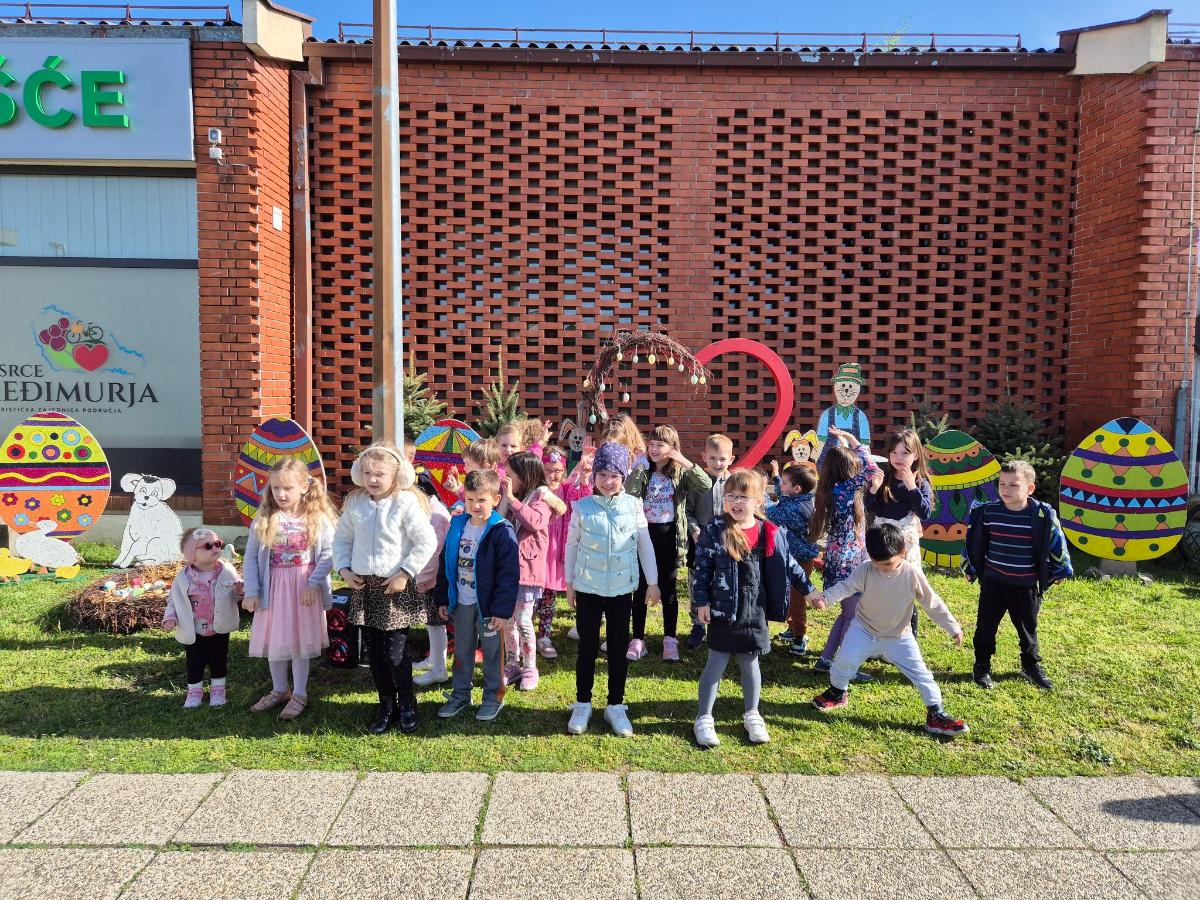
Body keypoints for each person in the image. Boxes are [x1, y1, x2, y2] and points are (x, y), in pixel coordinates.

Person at [692, 469, 815, 748]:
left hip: (754, 609)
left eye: (743, 497)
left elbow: (789, 565)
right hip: (722, 610)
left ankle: (752, 714)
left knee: (750, 662)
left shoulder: (768, 531)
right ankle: (704, 718)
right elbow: (702, 569)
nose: (736, 502)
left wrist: (810, 592)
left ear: (759, 500)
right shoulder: (715, 529)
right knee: (716, 663)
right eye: (731, 496)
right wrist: (701, 602)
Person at [809, 523, 969, 737]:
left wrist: (952, 627)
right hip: (863, 629)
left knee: (922, 674)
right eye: (877, 563)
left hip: (899, 637)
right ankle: (837, 693)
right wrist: (826, 598)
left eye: (887, 564)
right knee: (843, 663)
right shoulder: (865, 569)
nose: (882, 568)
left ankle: (936, 713)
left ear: (903, 552)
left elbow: (933, 603)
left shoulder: (912, 574)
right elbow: (845, 587)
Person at [332, 444, 437, 733]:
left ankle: (407, 703)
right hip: (365, 588)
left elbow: (426, 541)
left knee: (394, 654)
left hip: (395, 588)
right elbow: (341, 540)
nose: (373, 479)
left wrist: (405, 572)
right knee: (375, 656)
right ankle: (386, 704)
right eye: (367, 473)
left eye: (380, 474)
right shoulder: (355, 503)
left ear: (396, 475)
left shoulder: (405, 503)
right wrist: (344, 569)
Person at [563, 441, 661, 737]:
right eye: (602, 474)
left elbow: (645, 544)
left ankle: (615, 705)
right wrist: (570, 584)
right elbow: (571, 546)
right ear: (594, 476)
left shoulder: (633, 506)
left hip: (621, 590)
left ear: (624, 477)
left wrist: (653, 582)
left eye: (614, 476)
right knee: (587, 647)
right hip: (588, 588)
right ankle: (583, 702)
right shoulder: (582, 507)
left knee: (618, 648)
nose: (608, 481)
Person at [963, 459, 1073, 691]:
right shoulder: (988, 512)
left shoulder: (1042, 515)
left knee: (1027, 629)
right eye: (1002, 484)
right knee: (985, 627)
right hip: (994, 582)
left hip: (1026, 584)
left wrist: (1060, 569)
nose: (1006, 489)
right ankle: (982, 665)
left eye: (1013, 485)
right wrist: (970, 568)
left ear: (1029, 488)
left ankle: (1030, 665)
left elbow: (1057, 542)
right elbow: (973, 541)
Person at [243, 459, 339, 722]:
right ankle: (279, 689)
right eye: (276, 488)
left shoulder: (317, 518)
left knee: (299, 641)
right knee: (276, 639)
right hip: (273, 588)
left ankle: (299, 693)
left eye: (287, 488)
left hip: (303, 589)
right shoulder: (265, 518)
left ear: (304, 487)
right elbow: (250, 556)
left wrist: (313, 583)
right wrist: (251, 590)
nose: (281, 494)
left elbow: (329, 555)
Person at [434, 469, 520, 721]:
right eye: (470, 499)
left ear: (495, 499)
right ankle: (461, 693)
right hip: (462, 603)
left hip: (489, 608)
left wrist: (501, 611)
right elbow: (445, 562)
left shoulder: (501, 531)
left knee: (492, 652)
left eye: (482, 500)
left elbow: (508, 574)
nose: (475, 505)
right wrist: (443, 598)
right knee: (462, 651)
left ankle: (493, 697)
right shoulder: (458, 525)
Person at [624, 425, 712, 661]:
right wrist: (638, 468)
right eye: (651, 444)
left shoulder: (679, 473)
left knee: (668, 589)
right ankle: (638, 639)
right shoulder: (644, 470)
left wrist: (684, 461)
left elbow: (705, 484)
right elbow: (629, 495)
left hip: (670, 536)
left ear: (672, 448)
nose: (654, 449)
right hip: (644, 534)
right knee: (641, 588)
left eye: (660, 445)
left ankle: (670, 639)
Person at [809, 426, 883, 679]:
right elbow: (873, 469)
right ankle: (846, 667)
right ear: (848, 469)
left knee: (848, 615)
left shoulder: (833, 489)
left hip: (838, 559)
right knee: (852, 617)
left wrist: (843, 443)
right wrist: (854, 441)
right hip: (848, 563)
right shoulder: (847, 489)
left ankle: (826, 660)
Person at [499, 451, 566, 691]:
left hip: (527, 569)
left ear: (524, 474)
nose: (506, 478)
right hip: (507, 569)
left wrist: (511, 499)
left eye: (510, 474)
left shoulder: (542, 496)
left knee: (523, 620)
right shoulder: (511, 496)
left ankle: (530, 668)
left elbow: (535, 521)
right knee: (508, 621)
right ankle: (512, 665)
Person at [162, 527, 242, 708]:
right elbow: (174, 600)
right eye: (208, 546)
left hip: (219, 628)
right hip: (194, 630)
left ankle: (218, 690)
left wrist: (240, 592)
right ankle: (194, 692)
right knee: (194, 661)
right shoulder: (183, 578)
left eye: (217, 543)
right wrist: (170, 617)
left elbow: (234, 597)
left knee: (219, 659)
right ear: (192, 555)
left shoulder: (227, 571)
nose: (215, 548)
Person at [865, 429, 934, 636]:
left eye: (905, 453)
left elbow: (925, 512)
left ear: (916, 455)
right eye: (894, 452)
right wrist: (873, 489)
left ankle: (908, 636)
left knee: (905, 587)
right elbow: (868, 506)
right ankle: (880, 632)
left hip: (905, 542)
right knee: (880, 584)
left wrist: (912, 487)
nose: (898, 457)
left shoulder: (920, 480)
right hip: (882, 537)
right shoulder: (884, 477)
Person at [537, 444, 593, 659]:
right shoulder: (536, 490)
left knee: (548, 596)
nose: (553, 475)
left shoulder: (567, 489)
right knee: (531, 596)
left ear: (564, 470)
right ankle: (524, 633)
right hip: (538, 550)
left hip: (555, 551)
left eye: (557, 471)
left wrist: (584, 477)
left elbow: (582, 499)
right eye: (548, 470)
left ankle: (544, 635)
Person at [683, 433, 734, 650]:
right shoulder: (697, 484)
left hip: (727, 543)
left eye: (722, 459)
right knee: (697, 582)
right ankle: (698, 624)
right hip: (701, 544)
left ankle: (723, 623)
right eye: (712, 458)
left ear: (731, 459)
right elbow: (687, 512)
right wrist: (694, 530)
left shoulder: (734, 483)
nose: (717, 463)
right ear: (704, 457)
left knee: (724, 582)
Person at [765, 463, 820, 656]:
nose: (781, 486)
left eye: (785, 483)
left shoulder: (795, 509)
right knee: (788, 595)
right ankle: (792, 628)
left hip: (800, 560)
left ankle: (800, 636)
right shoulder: (799, 499)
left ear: (796, 489)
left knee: (797, 600)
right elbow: (783, 496)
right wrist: (777, 477)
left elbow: (771, 512)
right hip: (793, 558)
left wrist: (757, 500)